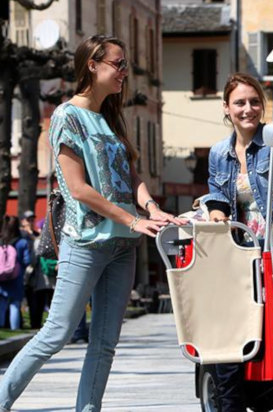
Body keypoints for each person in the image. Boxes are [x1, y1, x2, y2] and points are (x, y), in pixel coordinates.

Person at [0, 34, 186, 412]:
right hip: (85, 242)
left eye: (125, 65)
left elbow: (130, 176)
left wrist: (151, 208)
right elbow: (78, 188)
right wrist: (132, 220)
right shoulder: (67, 116)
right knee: (56, 333)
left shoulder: (110, 118)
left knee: (104, 344)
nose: (124, 71)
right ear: (92, 64)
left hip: (123, 246)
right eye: (118, 64)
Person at [203, 72, 273, 412]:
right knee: (229, 325)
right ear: (226, 108)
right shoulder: (219, 152)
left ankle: (260, 392)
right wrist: (215, 214)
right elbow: (218, 197)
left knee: (272, 325)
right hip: (238, 251)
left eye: (254, 102)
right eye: (239, 103)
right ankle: (230, 403)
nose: (248, 109)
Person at [0, 216, 32, 330]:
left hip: (1, 277)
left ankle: (1, 326)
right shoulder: (22, 242)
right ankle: (15, 328)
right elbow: (27, 260)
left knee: (1, 304)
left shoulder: (1, 242)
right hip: (16, 277)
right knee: (15, 304)